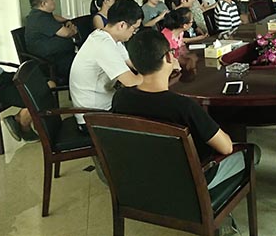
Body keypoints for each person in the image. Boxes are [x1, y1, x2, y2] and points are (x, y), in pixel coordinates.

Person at [111, 29, 260, 191]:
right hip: (189, 183)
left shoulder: (120, 98)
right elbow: (226, 148)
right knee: (253, 152)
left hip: (142, 179)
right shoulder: (183, 106)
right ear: (168, 57)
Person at [69, 0, 144, 130]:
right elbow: (131, 82)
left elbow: (133, 63)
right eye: (134, 29)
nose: (134, 33)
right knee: (147, 112)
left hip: (104, 102)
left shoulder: (109, 37)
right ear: (122, 25)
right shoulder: (103, 44)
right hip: (92, 117)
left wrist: (155, 66)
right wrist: (160, 72)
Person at [0, 46, 47, 142]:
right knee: (36, 96)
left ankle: (19, 119)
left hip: (3, 76)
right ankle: (22, 123)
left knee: (48, 84)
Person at [25, 0, 77, 82]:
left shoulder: (40, 14)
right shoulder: (40, 18)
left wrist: (67, 21)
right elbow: (66, 33)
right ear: (43, 4)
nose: (54, 2)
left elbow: (54, 17)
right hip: (50, 61)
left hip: (59, 55)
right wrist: (73, 31)